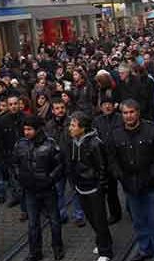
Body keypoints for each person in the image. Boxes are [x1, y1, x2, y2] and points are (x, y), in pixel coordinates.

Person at [107, 99, 154, 261]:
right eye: (125, 113)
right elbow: (111, 158)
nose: (128, 116)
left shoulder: (152, 130)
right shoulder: (115, 134)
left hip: (151, 185)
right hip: (130, 186)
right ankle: (144, 249)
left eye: (131, 112)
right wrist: (120, 175)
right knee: (138, 221)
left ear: (138, 113)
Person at [13, 115, 64, 261]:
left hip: (47, 189)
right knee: (33, 223)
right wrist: (20, 177)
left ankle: (57, 248)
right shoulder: (20, 144)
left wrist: (50, 180)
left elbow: (60, 165)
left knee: (54, 220)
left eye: (29, 129)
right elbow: (15, 163)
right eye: (24, 130)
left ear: (37, 129)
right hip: (30, 190)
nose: (26, 132)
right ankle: (35, 252)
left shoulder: (50, 144)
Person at [66, 112, 113, 261]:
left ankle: (105, 251)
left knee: (100, 219)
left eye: (73, 125)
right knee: (91, 218)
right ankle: (103, 241)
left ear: (83, 128)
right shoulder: (73, 142)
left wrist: (101, 186)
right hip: (81, 186)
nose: (70, 128)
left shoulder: (95, 143)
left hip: (94, 188)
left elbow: (102, 168)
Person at [45, 99, 84, 226]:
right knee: (58, 191)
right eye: (57, 108)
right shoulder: (49, 125)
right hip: (57, 165)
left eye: (62, 107)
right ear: (52, 110)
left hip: (71, 163)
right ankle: (61, 214)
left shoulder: (72, 123)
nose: (60, 110)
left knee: (76, 190)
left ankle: (79, 215)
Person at [93, 99, 123, 225]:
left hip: (121, 157)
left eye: (109, 104)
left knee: (127, 185)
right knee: (111, 190)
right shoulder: (97, 121)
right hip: (105, 159)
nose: (107, 106)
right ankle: (115, 213)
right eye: (104, 105)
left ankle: (132, 209)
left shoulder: (120, 118)